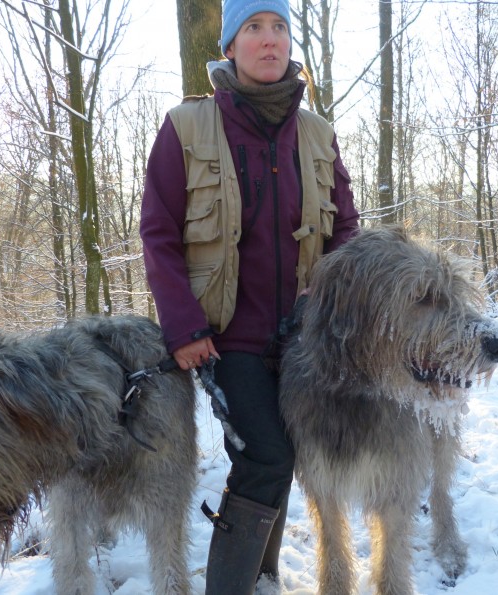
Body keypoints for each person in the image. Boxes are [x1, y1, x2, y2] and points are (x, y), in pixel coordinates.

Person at [140, 1, 360, 593]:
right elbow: (158, 231)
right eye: (254, 28)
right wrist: (184, 326)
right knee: (265, 457)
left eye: (280, 27)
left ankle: (261, 579)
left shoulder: (317, 134)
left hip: (305, 336)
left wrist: (328, 287)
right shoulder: (186, 127)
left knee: (283, 456)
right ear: (230, 46)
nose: (270, 40)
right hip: (224, 336)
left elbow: (346, 229)